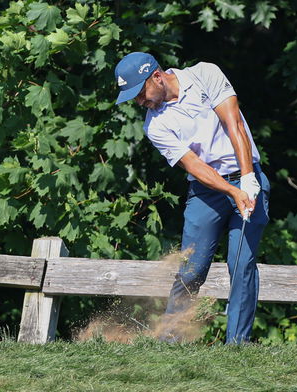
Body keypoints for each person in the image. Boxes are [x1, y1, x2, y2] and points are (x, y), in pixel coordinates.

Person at [113, 52, 269, 344]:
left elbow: (234, 124)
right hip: (206, 192)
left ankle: (237, 344)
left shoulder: (204, 74)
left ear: (157, 77)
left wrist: (247, 180)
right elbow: (195, 165)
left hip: (247, 175)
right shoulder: (154, 125)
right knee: (191, 268)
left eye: (140, 93)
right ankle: (169, 341)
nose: (138, 102)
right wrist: (233, 191)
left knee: (242, 263)